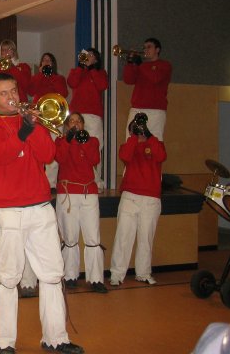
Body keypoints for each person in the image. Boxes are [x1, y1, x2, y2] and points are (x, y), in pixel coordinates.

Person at [0, 72, 84, 354]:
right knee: (8, 277)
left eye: (14, 90)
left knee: (52, 274)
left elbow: (48, 155)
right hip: (8, 210)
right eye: (4, 93)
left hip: (40, 206)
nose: (11, 97)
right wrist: (23, 132)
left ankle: (55, 338)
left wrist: (33, 127)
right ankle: (4, 342)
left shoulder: (32, 120)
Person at [109, 112, 167, 287]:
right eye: (136, 128)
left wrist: (149, 135)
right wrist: (134, 137)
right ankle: (117, 274)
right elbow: (125, 156)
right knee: (123, 237)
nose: (139, 130)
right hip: (130, 197)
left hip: (151, 199)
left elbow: (161, 156)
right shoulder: (128, 145)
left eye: (141, 127)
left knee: (146, 239)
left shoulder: (156, 143)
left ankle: (143, 273)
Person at [55, 112, 107, 294]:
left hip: (88, 193)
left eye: (79, 121)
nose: (76, 124)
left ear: (84, 125)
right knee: (70, 237)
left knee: (93, 237)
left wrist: (82, 142)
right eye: (72, 121)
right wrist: (69, 140)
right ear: (67, 126)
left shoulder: (92, 141)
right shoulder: (61, 141)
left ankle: (96, 279)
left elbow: (94, 160)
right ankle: (70, 276)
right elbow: (60, 158)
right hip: (68, 193)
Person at [67, 48, 108, 190]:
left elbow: (102, 85)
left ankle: (96, 182)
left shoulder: (100, 73)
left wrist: (91, 69)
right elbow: (71, 82)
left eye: (91, 55)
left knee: (94, 148)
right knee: (75, 146)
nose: (87, 57)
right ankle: (77, 179)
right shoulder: (77, 71)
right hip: (77, 115)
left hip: (93, 115)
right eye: (86, 55)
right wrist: (80, 67)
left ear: (96, 59)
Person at [28, 52, 68, 190]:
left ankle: (51, 184)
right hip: (39, 114)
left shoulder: (59, 78)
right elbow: (31, 90)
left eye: (49, 60)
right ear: (40, 64)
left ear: (53, 64)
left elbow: (63, 93)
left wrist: (50, 76)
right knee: (38, 147)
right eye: (44, 60)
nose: (46, 62)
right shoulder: (37, 77)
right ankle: (37, 181)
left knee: (53, 147)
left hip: (55, 115)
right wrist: (40, 75)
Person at [123, 38, 172, 141]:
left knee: (155, 141)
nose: (145, 50)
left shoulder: (164, 65)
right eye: (144, 48)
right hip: (137, 108)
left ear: (157, 50)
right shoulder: (142, 66)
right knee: (131, 140)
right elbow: (128, 80)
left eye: (149, 47)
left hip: (156, 110)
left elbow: (155, 78)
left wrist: (140, 65)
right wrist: (130, 63)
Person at [0, 40, 31, 108]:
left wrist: (12, 65)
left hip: (19, 105)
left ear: (14, 51)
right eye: (3, 50)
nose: (6, 52)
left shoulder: (24, 67)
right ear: (1, 52)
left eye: (9, 49)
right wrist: (3, 64)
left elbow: (25, 85)